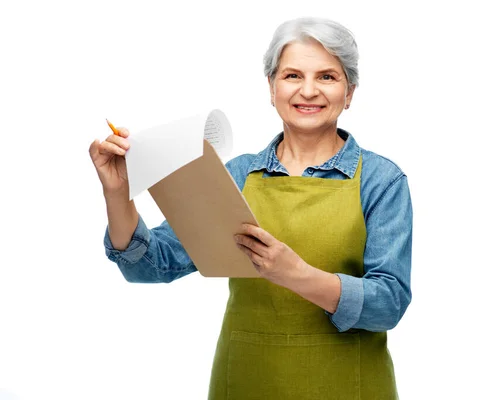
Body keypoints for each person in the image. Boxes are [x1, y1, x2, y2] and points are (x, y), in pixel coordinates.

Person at [89, 17, 413, 400]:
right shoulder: (238, 174)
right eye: (293, 75)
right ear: (272, 87)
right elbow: (151, 266)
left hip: (348, 386)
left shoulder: (381, 181)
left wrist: (295, 274)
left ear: (350, 92)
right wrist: (117, 193)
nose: (308, 91)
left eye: (327, 77)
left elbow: (388, 304)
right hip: (247, 381)